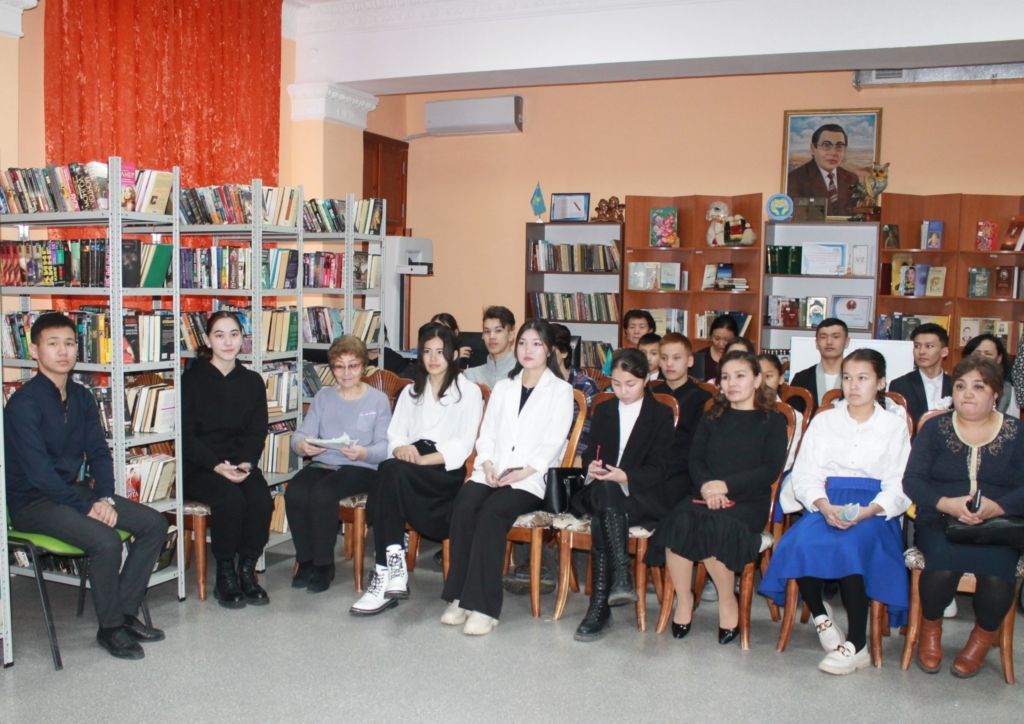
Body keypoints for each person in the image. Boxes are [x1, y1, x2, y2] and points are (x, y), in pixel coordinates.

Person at [4, 312, 169, 660]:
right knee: (105, 540)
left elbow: (98, 452)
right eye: (52, 344)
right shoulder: (22, 404)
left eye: (69, 343)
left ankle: (123, 614)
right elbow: (39, 474)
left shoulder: (81, 396)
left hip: (71, 492)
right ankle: (110, 629)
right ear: (34, 351)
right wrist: (88, 506)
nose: (63, 351)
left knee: (153, 523)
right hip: (32, 504)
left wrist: (104, 496)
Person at [760, 349, 912, 675]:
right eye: (847, 378)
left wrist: (869, 511)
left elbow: (899, 483)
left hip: (873, 510)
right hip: (828, 502)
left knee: (850, 545)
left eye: (863, 378)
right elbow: (805, 474)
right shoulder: (825, 420)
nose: (853, 386)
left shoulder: (893, 426)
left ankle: (857, 644)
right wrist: (824, 506)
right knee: (799, 541)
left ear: (880, 382)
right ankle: (820, 615)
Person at [440, 319, 574, 636]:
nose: (528, 350)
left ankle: (484, 607)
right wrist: (487, 463)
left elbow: (554, 443)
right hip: (493, 470)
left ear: (549, 350)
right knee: (465, 503)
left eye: (537, 344)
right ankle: (459, 596)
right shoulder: (504, 387)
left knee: (492, 513)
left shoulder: (561, 391)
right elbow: (486, 434)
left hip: (530, 478)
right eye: (523, 343)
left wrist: (522, 471)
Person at [650, 351, 788, 643]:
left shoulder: (773, 420)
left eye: (740, 376)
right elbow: (695, 458)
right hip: (705, 494)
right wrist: (706, 487)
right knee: (678, 521)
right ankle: (684, 600)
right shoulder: (712, 415)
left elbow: (770, 469)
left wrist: (725, 486)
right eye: (725, 377)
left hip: (748, 499)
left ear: (757, 380)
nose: (731, 383)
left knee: (716, 526)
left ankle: (728, 601)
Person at [903, 356, 1024, 678]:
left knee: (998, 575)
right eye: (960, 386)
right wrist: (947, 504)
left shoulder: (1015, 432)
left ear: (995, 393)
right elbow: (912, 480)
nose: (967, 394)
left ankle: (982, 639)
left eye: (978, 387)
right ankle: (930, 629)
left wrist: (997, 507)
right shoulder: (935, 429)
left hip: (999, 526)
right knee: (941, 567)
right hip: (940, 520)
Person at [351, 323, 483, 615]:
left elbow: (463, 445)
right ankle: (390, 570)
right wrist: (401, 449)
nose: (433, 358)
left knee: (389, 473)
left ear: (453, 355)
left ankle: (386, 571)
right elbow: (395, 434)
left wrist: (421, 459)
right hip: (407, 467)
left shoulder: (469, 392)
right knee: (390, 470)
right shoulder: (411, 391)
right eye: (427, 351)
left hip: (442, 472)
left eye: (440, 352)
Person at [572, 349, 674, 641]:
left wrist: (625, 476)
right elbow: (591, 454)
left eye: (630, 384)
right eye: (616, 384)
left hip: (637, 493)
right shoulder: (604, 409)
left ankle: (599, 607)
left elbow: (661, 468)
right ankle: (621, 572)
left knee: (604, 514)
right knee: (606, 492)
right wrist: (591, 467)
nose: (623, 391)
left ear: (646, 379)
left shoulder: (660, 414)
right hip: (601, 487)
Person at [181, 310, 274, 609]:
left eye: (234, 334)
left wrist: (246, 463)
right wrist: (216, 466)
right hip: (201, 466)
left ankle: (246, 569)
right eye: (219, 335)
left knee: (261, 499)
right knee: (230, 500)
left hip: (239, 463)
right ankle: (225, 573)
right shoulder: (191, 381)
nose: (228, 342)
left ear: (242, 339)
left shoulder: (252, 381)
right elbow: (186, 436)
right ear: (208, 340)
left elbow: (257, 430)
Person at [286, 335, 391, 593]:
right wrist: (303, 446)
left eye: (353, 365)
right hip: (325, 462)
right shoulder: (323, 397)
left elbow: (384, 447)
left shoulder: (377, 400)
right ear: (332, 368)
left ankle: (324, 565)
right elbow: (300, 435)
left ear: (364, 366)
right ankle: (305, 560)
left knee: (323, 493)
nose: (346, 373)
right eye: (339, 366)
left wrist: (363, 453)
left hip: (362, 467)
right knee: (295, 491)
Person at [655, 333, 713, 504]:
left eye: (676, 358)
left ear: (690, 361)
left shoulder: (703, 399)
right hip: (650, 466)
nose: (669, 364)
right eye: (664, 358)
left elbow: (697, 446)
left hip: (683, 469)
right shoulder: (651, 395)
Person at [786, 123, 861, 217]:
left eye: (839, 146)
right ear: (813, 149)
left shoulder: (852, 179)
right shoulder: (795, 179)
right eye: (826, 145)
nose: (833, 152)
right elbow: (796, 216)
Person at [888, 323, 952, 427]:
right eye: (917, 346)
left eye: (929, 346)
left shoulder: (956, 385)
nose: (921, 352)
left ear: (944, 352)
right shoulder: (900, 385)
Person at [790, 317, 849, 413]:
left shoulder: (856, 379)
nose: (829, 342)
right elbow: (793, 417)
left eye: (836, 337)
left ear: (846, 342)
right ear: (816, 343)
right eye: (823, 337)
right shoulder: (801, 379)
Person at [963, 333, 1020, 418]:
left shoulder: (1009, 391)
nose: (982, 358)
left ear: (999, 359)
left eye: (988, 354)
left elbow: (1013, 422)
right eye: (977, 354)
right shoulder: (958, 385)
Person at [464, 305, 516, 389]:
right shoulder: (471, 376)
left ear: (511, 335)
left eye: (498, 330)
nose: (491, 336)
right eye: (487, 331)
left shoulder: (523, 372)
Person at [691, 315, 738, 383]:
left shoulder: (740, 357)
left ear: (735, 338)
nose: (721, 344)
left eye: (727, 340)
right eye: (717, 338)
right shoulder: (699, 357)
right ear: (711, 336)